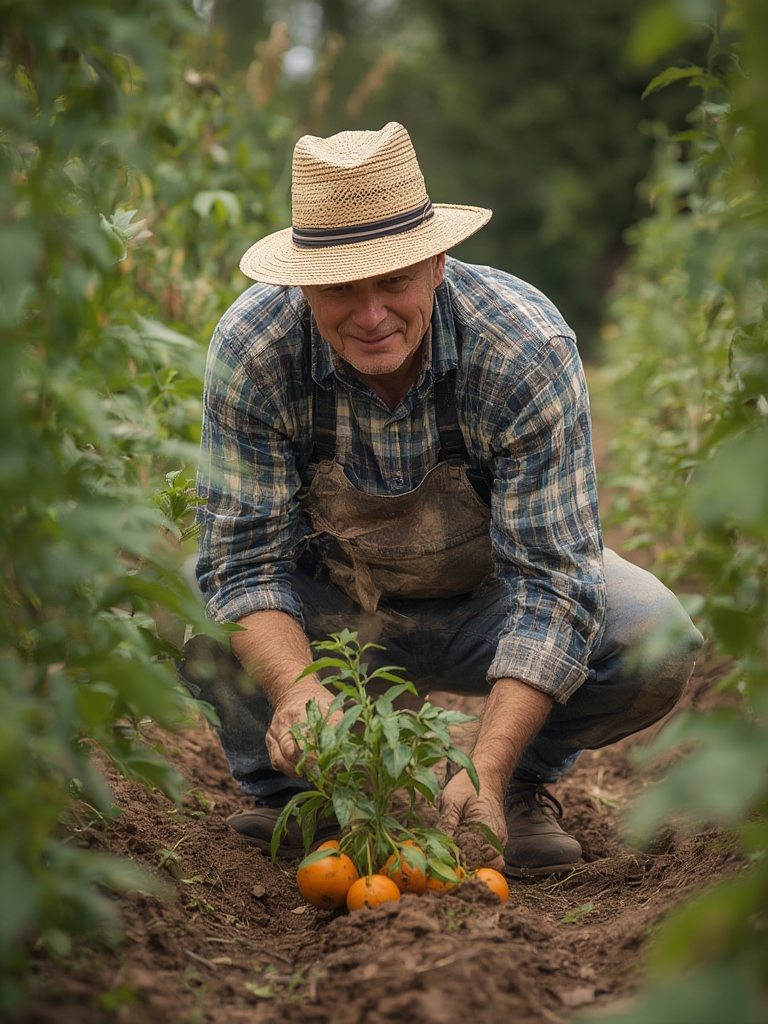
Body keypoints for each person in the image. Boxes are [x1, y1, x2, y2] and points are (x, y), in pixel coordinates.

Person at [184, 122, 703, 877]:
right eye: (339, 288)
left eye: (392, 280)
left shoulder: (522, 348)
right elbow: (242, 564)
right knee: (183, 607)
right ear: (300, 286)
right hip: (334, 612)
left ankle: (514, 783)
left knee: (653, 636)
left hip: (488, 605)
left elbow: (555, 587)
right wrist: (297, 691)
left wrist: (490, 763)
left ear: (435, 263)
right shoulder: (254, 352)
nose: (370, 317)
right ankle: (296, 790)